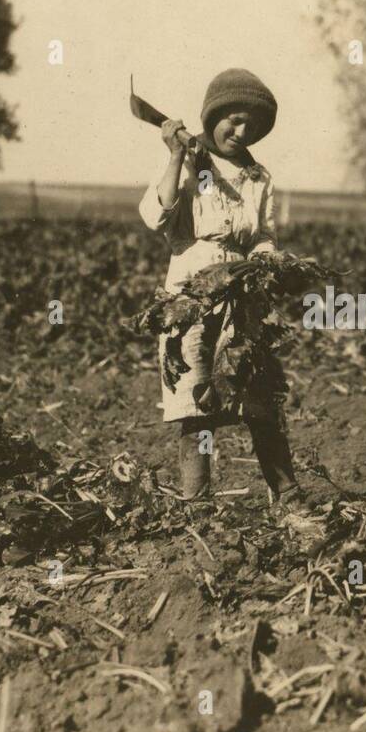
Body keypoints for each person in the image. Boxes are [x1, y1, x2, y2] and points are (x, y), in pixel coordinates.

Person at [139, 68, 302, 505]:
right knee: (198, 404)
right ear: (212, 116)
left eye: (250, 123)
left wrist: (268, 259)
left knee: (260, 399)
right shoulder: (191, 163)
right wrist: (175, 155)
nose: (240, 129)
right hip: (192, 298)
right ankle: (197, 502)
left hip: (244, 298)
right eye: (232, 118)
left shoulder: (258, 175)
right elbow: (155, 216)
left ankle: (286, 496)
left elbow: (262, 233)